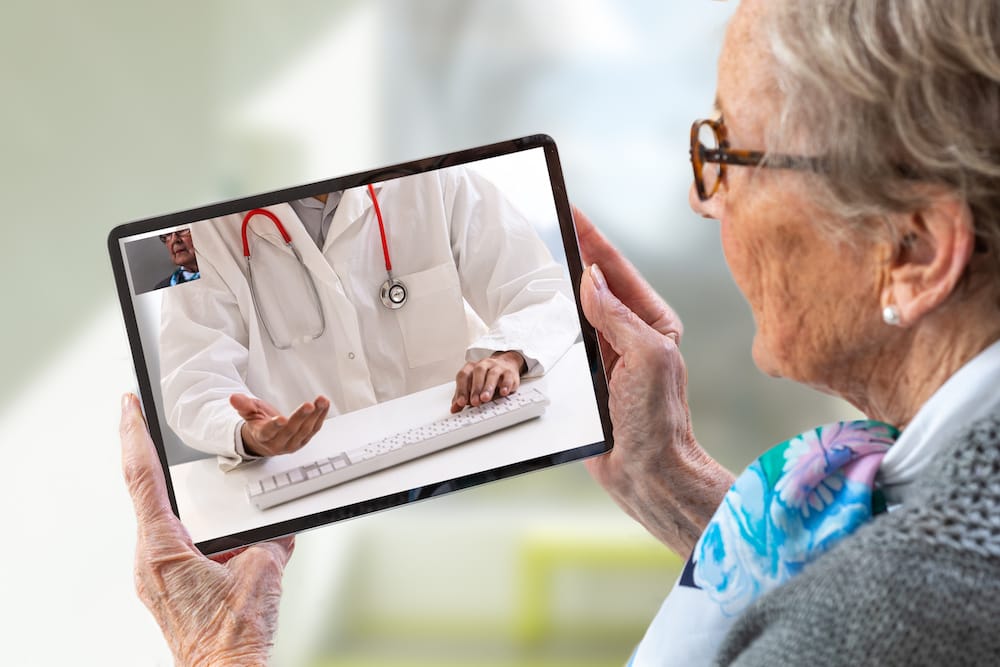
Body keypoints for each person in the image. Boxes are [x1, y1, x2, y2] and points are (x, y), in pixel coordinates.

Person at [122, 0, 1000, 664]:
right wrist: (675, 482)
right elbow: (188, 371)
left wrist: (221, 650)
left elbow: (538, 291)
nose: (706, 199)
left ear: (915, 250)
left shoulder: (895, 612)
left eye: (728, 155)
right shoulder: (932, 516)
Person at [159, 165, 579, 469]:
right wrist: (246, 434)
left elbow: (541, 291)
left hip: (459, 452)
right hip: (312, 477)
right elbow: (192, 382)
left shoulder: (434, 176)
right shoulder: (203, 230)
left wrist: (508, 356)